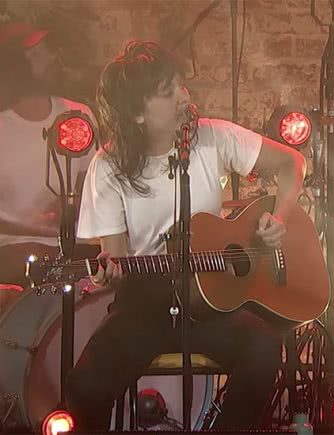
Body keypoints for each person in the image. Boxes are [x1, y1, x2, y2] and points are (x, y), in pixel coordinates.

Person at [65, 40, 306, 431]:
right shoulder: (108, 166)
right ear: (137, 114)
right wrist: (103, 272)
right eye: (168, 92)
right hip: (146, 305)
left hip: (213, 303)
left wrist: (278, 218)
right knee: (85, 387)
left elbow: (292, 163)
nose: (184, 97)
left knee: (263, 349)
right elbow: (117, 258)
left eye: (181, 85)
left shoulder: (213, 137)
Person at [0, 22, 95, 301]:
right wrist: (34, 226)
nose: (52, 56)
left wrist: (73, 206)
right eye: (37, 52)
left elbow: (92, 186)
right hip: (15, 251)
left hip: (74, 248)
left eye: (48, 49)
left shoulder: (79, 115)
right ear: (15, 65)